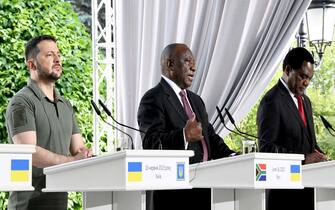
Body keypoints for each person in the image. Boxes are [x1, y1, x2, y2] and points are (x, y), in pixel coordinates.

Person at [137, 43, 236, 210]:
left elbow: (209, 137)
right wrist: (183, 135)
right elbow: (151, 143)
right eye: (188, 61)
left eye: (194, 62)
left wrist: (234, 156)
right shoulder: (153, 98)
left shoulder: (196, 100)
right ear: (170, 65)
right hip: (172, 195)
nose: (194, 67)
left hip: (203, 189)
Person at [6, 35, 92, 210]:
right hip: (28, 205)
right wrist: (71, 160)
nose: (58, 59)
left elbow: (78, 150)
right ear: (31, 64)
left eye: (58, 54)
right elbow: (29, 153)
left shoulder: (65, 104)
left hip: (59, 202)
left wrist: (85, 156)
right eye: (49, 55)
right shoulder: (21, 103)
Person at [257, 47, 328, 210]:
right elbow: (266, 149)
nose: (306, 83)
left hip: (308, 192)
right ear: (288, 70)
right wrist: (303, 159)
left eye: (309, 78)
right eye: (303, 76)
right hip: (284, 196)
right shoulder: (271, 101)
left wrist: (320, 156)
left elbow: (310, 145)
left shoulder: (306, 101)